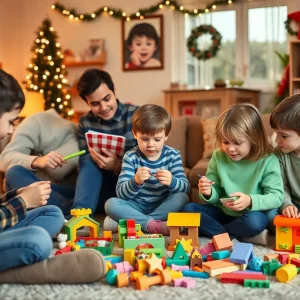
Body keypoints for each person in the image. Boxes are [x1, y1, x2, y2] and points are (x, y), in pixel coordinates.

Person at [0, 69, 106, 284]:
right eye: (11, 121)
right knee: (38, 239)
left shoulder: (79, 131)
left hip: (50, 197)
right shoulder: (36, 124)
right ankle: (37, 271)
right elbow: (7, 158)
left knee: (52, 214)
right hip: (25, 202)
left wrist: (15, 195)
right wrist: (23, 202)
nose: (11, 130)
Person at [183, 103, 284, 246]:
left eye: (237, 142)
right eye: (225, 142)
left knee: (255, 222)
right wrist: (208, 191)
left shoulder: (268, 159)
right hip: (222, 212)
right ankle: (229, 236)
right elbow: (214, 193)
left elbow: (276, 197)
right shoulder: (218, 156)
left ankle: (219, 233)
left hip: (248, 215)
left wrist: (249, 200)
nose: (230, 148)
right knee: (188, 209)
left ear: (253, 139)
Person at [105, 104, 190, 235]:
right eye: (144, 139)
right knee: (110, 204)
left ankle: (136, 223)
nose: (150, 144)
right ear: (135, 134)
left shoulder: (173, 155)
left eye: (157, 139)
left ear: (166, 135)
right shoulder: (131, 157)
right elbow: (121, 193)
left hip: (162, 205)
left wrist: (172, 182)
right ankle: (154, 225)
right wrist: (135, 181)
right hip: (136, 206)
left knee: (182, 197)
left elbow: (185, 188)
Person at [71, 68, 138, 221]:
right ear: (87, 103)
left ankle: (78, 211)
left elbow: (150, 161)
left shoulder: (136, 116)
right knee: (87, 158)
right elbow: (84, 167)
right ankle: (81, 214)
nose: (103, 107)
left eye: (107, 99)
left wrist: (117, 166)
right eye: (95, 103)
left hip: (130, 187)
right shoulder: (85, 122)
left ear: (114, 91)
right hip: (97, 188)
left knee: (64, 195)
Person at [0, 108, 79, 216]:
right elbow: (4, 159)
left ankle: (64, 209)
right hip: (39, 189)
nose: (103, 108)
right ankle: (64, 210)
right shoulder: (36, 122)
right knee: (14, 172)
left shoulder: (80, 130)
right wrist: (37, 161)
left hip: (71, 192)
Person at [269, 95, 300, 223]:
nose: (276, 140)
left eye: (284, 136)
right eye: (276, 133)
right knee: (269, 213)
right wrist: (286, 205)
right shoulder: (280, 153)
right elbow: (280, 186)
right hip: (293, 206)